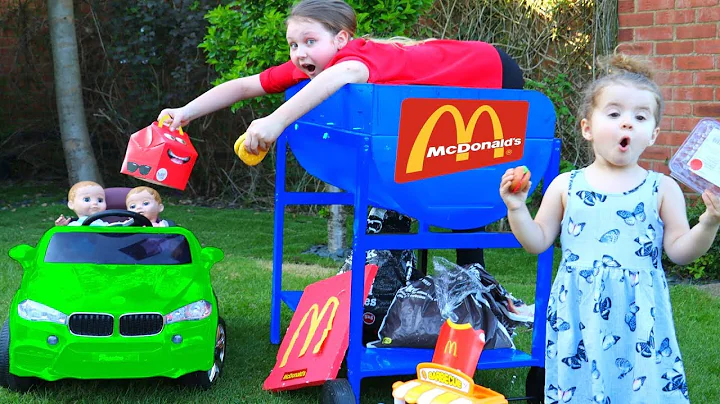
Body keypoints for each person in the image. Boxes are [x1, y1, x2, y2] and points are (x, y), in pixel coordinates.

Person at [158, 0, 525, 267]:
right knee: (447, 175)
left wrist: (276, 121)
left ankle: (473, 280)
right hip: (455, 86)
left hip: (491, 71)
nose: (299, 52)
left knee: (465, 176)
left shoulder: (353, 61)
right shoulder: (317, 64)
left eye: (309, 41)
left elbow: (341, 76)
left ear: (341, 39)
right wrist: (185, 112)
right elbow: (245, 85)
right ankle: (467, 279)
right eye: (293, 44)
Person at [499, 53, 719, 403]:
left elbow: (680, 251)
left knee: (641, 387)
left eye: (640, 116)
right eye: (614, 114)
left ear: (653, 134)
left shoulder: (662, 189)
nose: (627, 123)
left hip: (640, 314)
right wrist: (516, 208)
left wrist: (708, 222)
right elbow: (536, 241)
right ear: (587, 127)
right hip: (579, 311)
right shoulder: (565, 186)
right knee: (580, 386)